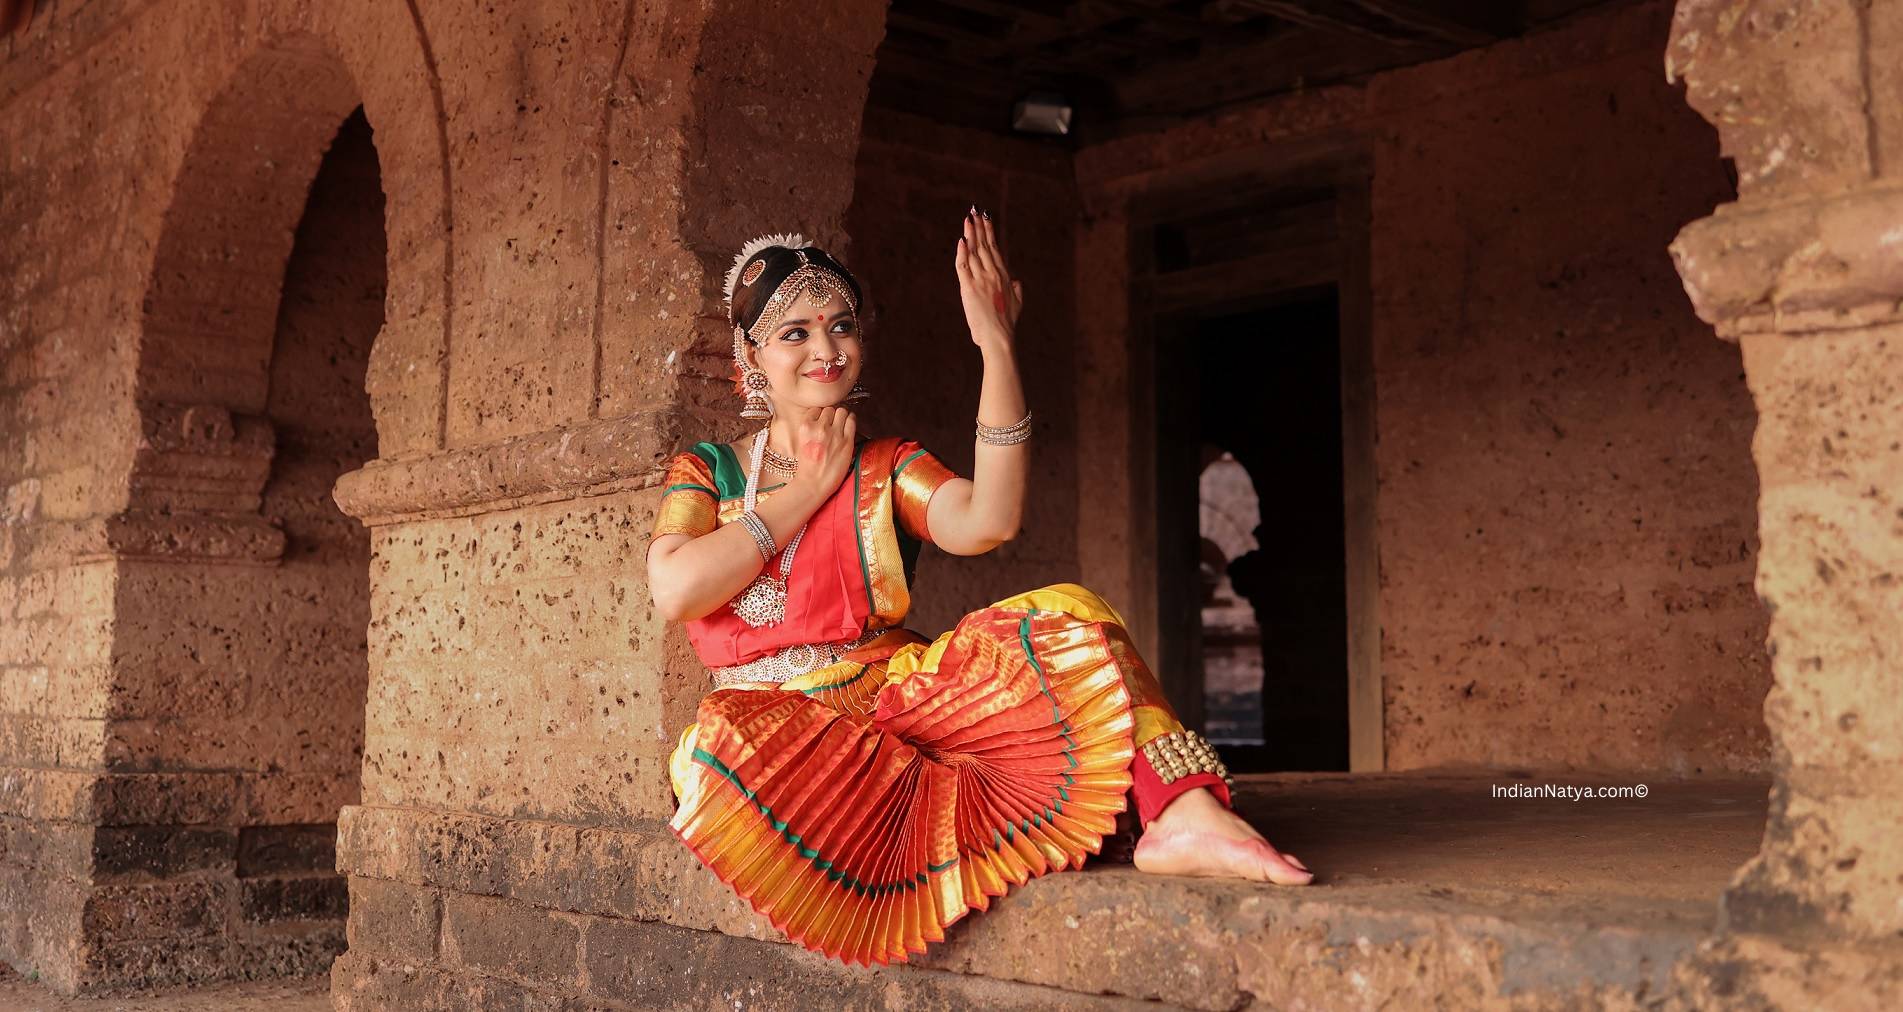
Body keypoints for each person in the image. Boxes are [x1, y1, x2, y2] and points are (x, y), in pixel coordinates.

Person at [645, 210, 1312, 967]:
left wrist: (996, 346)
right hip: (780, 727)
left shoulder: (887, 464)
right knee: (713, 751)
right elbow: (676, 589)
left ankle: (1183, 814)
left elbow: (987, 520)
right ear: (751, 356)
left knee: (1069, 609)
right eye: (794, 333)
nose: (826, 350)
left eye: (840, 326)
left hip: (901, 700)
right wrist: (806, 492)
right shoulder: (707, 471)